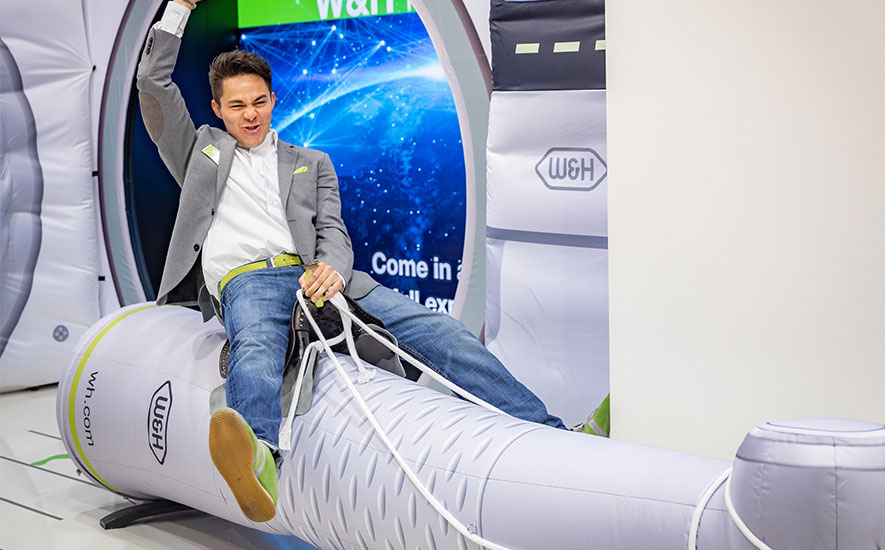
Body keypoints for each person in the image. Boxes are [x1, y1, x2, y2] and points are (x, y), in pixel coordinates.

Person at [137, 0, 566, 523]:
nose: (250, 114)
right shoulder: (198, 152)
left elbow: (334, 231)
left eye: (259, 102)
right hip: (248, 281)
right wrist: (179, 8)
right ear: (218, 109)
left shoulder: (311, 162)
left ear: (273, 100)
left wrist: (334, 268)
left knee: (441, 332)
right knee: (257, 349)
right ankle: (258, 461)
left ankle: (553, 434)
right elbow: (152, 84)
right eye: (237, 105)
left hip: (319, 277)